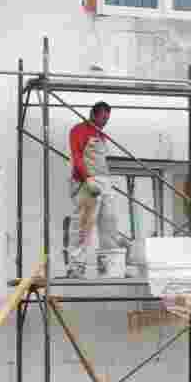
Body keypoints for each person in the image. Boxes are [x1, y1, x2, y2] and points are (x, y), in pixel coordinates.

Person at [66, 101, 128, 278]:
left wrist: (106, 181)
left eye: (107, 119)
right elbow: (77, 156)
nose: (105, 122)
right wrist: (87, 178)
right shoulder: (79, 130)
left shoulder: (101, 134)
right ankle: (76, 267)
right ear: (93, 114)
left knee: (109, 223)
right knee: (83, 225)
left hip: (104, 181)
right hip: (88, 181)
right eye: (103, 118)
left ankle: (111, 267)